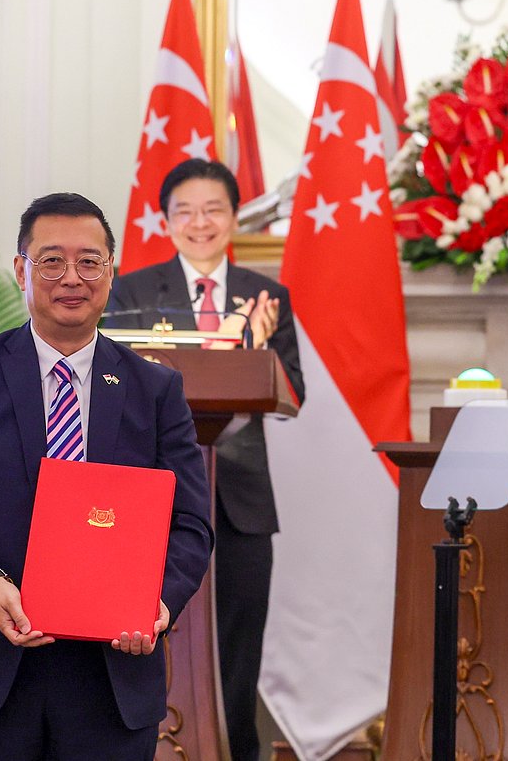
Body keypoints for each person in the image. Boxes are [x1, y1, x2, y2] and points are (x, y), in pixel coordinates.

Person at [0, 193, 213, 760]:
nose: (73, 278)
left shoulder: (155, 390)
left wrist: (157, 603)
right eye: (51, 261)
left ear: (111, 271)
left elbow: (190, 524)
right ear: (21, 268)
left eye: (90, 262)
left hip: (112, 677)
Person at [107, 158, 304, 761]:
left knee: (236, 656)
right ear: (166, 220)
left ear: (234, 217)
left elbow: (293, 395)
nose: (200, 222)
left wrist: (259, 348)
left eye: (213, 209)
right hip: (155, 500)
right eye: (185, 211)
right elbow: (114, 387)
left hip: (241, 501)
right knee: (151, 643)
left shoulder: (268, 296)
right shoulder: (131, 291)